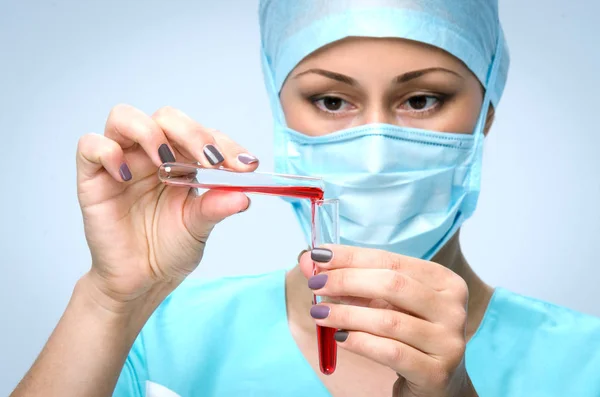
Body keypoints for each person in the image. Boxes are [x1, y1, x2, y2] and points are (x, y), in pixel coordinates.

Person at [11, 1, 600, 396]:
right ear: (279, 109)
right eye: (330, 101)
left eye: (421, 100)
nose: (373, 157)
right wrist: (110, 301)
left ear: (486, 112)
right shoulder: (155, 342)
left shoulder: (586, 364)